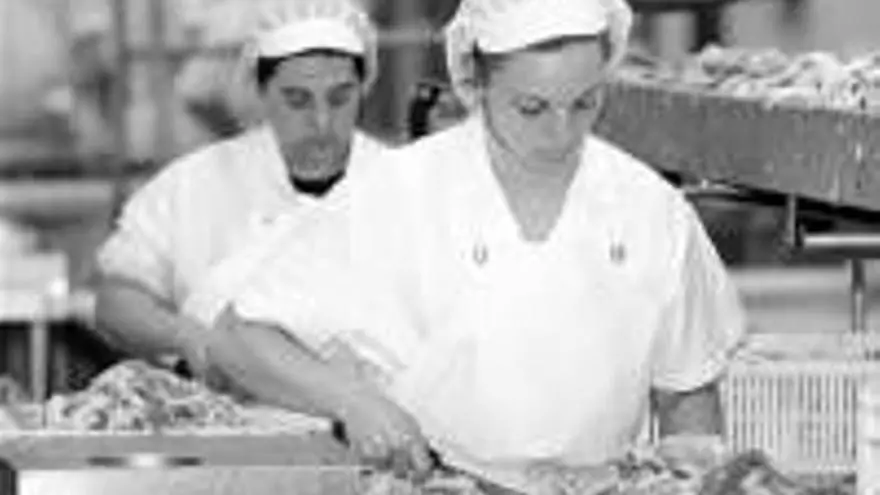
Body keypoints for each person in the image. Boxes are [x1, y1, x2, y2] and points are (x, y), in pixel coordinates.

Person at [211, 0, 747, 490]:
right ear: (476, 79)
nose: (561, 132)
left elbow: (687, 394)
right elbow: (240, 336)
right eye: (532, 108)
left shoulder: (652, 210)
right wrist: (353, 402)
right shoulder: (399, 191)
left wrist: (695, 479)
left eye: (585, 103)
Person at [93, 0, 389, 381]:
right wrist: (189, 338)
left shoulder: (398, 183)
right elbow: (116, 301)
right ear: (261, 92)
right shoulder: (197, 185)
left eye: (340, 98)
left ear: (364, 88)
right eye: (297, 100)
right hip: (223, 410)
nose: (321, 122)